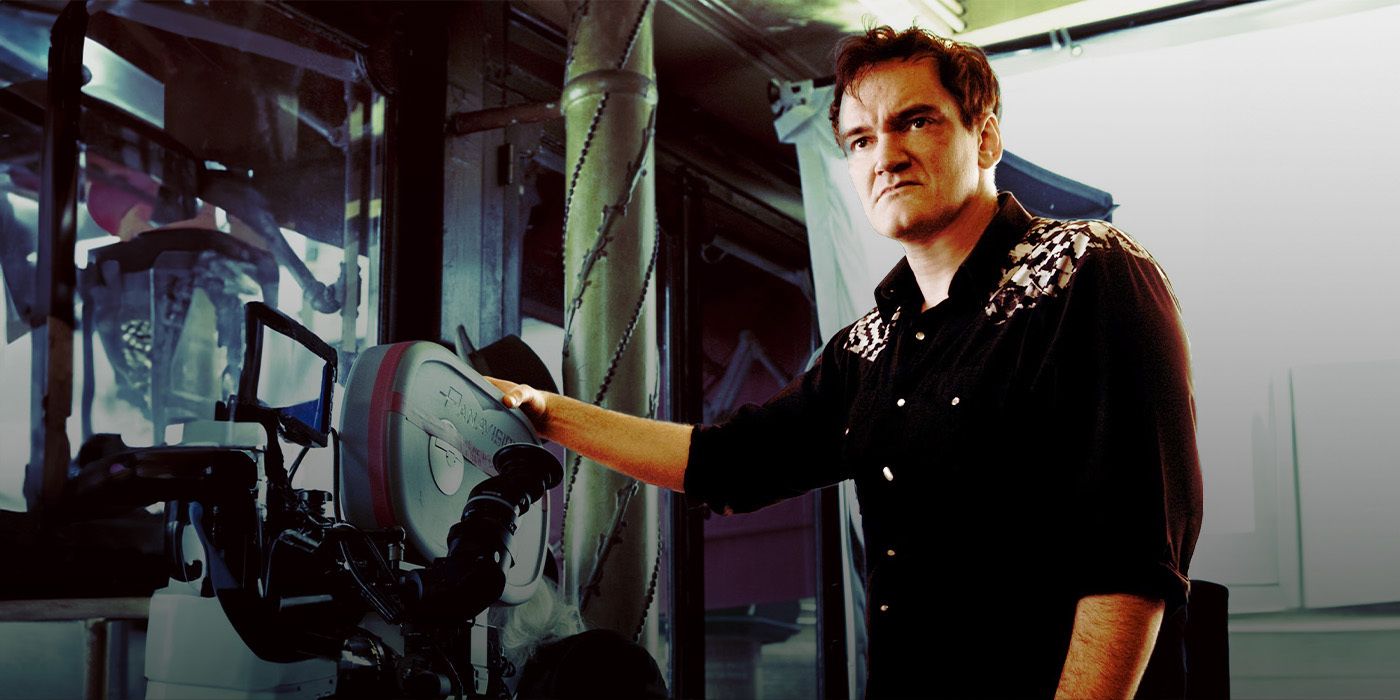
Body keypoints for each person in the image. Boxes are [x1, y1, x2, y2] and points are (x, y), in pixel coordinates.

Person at [490, 26, 1203, 699]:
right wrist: (544, 413)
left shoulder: (1086, 270)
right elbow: (729, 461)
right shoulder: (872, 346)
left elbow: (1132, 559)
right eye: (861, 139)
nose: (885, 155)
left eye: (915, 122)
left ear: (984, 137)